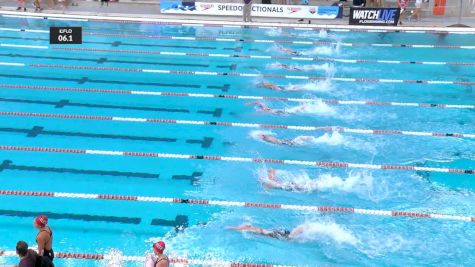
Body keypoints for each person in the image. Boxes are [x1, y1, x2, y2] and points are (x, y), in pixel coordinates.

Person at [226, 224, 305, 240]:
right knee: (289, 236)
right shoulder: (251, 228)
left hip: (270, 233)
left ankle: (300, 230)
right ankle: (300, 230)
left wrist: (230, 228)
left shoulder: (248, 229)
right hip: (272, 231)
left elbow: (238, 228)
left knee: (289, 238)